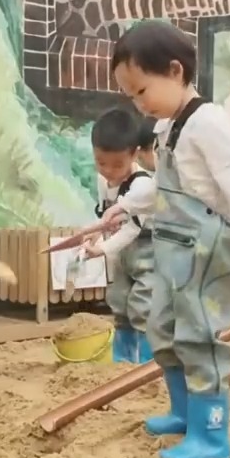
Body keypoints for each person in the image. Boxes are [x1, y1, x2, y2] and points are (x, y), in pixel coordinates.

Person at [105, 20, 230, 458]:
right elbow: (167, 187)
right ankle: (183, 412)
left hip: (208, 253)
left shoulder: (208, 123)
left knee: (199, 337)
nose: (138, 104)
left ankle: (210, 434)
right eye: (130, 96)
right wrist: (125, 207)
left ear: (174, 71)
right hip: (175, 251)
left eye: (141, 91)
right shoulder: (169, 127)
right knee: (163, 328)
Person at [81, 108, 156, 363]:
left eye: (117, 165)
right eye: (101, 163)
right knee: (120, 301)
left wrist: (102, 249)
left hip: (148, 253)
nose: (109, 171)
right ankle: (122, 361)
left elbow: (132, 229)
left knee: (144, 306)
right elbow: (106, 215)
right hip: (123, 254)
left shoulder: (142, 185)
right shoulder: (103, 180)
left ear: (134, 154)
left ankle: (147, 363)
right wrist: (95, 234)